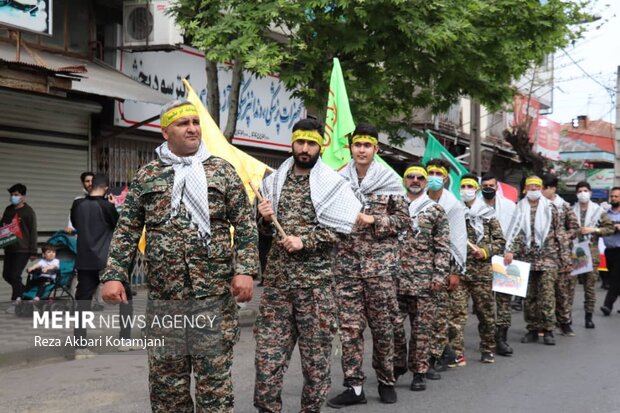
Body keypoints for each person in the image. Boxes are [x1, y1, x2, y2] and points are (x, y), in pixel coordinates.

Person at [101, 100, 258, 413]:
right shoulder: (148, 176)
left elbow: (245, 225)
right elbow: (127, 231)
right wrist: (114, 275)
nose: (192, 129)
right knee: (167, 392)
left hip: (212, 299)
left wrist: (245, 270)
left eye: (195, 122)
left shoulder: (221, 171)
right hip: (165, 302)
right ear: (165, 132)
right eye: (182, 124)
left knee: (214, 391)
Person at [254, 118, 362, 413]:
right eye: (299, 142)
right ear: (292, 143)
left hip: (316, 290)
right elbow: (263, 233)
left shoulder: (334, 185)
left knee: (316, 366)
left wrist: (307, 240)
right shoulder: (273, 182)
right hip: (278, 288)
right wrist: (264, 218)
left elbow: (343, 229)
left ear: (320, 145)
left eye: (311, 143)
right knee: (267, 362)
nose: (304, 149)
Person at [328, 123, 409, 408]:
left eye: (367, 145)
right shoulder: (338, 180)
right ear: (351, 147)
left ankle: (386, 380)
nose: (361, 150)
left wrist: (376, 220)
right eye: (357, 144)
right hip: (346, 266)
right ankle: (354, 387)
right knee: (349, 329)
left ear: (376, 149)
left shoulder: (390, 181)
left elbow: (404, 222)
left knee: (382, 327)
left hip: (380, 268)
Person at [394, 164, 450, 392]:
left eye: (420, 177)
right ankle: (397, 365)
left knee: (421, 331)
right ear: (404, 181)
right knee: (392, 328)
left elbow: (443, 247)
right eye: (411, 177)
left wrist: (439, 275)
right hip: (394, 280)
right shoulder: (393, 207)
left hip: (424, 281)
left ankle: (419, 371)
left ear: (425, 182)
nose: (415, 180)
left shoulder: (435, 210)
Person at [504, 176, 571, 346]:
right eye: (530, 186)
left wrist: (565, 259)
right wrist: (509, 250)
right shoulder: (519, 207)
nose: (533, 189)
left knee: (547, 295)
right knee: (530, 296)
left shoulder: (551, 208)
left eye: (536, 186)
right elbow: (515, 232)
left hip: (549, 258)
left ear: (541, 189)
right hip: (527, 258)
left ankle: (548, 329)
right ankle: (532, 328)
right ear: (525, 188)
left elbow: (560, 234)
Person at [449, 174, 505, 365]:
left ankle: (488, 348)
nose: (466, 189)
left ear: (477, 189)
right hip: (460, 271)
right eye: (463, 186)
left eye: (470, 186)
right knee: (456, 314)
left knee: (486, 313)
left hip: (482, 273)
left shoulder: (488, 214)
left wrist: (485, 251)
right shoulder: (454, 211)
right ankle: (457, 352)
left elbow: (500, 241)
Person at [70, 174, 123, 359]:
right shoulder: (106, 206)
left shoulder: (78, 205)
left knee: (82, 302)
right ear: (107, 188)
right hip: (104, 259)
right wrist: (113, 206)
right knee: (125, 297)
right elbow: (118, 227)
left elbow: (76, 225)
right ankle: (125, 340)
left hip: (84, 259)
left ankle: (79, 347)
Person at [425, 159, 467, 369]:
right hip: (418, 265)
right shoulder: (417, 199)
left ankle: (438, 354)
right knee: (423, 314)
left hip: (443, 266)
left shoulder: (453, 205)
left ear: (445, 177)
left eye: (437, 173)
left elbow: (458, 240)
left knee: (440, 313)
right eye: (429, 172)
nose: (433, 176)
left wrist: (455, 271)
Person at [480, 173, 516, 356]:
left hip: (504, 259)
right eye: (484, 185)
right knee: (485, 303)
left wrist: (511, 250)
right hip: (481, 261)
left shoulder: (509, 207)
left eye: (491, 185)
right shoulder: (472, 207)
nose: (488, 188)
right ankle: (488, 337)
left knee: (503, 301)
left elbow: (518, 230)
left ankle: (501, 338)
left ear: (497, 187)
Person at [571, 181, 614, 328]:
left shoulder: (598, 211)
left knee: (589, 287)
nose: (583, 193)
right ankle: (565, 318)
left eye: (585, 190)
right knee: (569, 287)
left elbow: (610, 229)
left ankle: (588, 317)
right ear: (576, 194)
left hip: (591, 252)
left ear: (590, 192)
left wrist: (594, 230)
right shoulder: (571, 211)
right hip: (575, 252)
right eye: (580, 191)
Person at [541, 174, 579, 336]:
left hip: (562, 255)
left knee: (562, 291)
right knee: (544, 292)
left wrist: (564, 236)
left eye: (544, 188)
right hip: (543, 256)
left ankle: (564, 322)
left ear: (552, 189)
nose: (541, 191)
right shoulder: (537, 206)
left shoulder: (564, 206)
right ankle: (544, 324)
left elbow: (575, 228)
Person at [2, 183, 37, 306]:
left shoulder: (28, 212)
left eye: (16, 195)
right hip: (9, 247)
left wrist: (33, 251)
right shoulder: (8, 209)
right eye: (11, 195)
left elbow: (33, 231)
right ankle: (25, 292)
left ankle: (15, 301)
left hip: (23, 249)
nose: (13, 197)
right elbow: (4, 227)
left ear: (23, 196)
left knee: (15, 275)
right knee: (7, 275)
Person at [601, 187, 620, 316]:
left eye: (616, 196)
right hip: (609, 250)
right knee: (614, 278)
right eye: (612, 196)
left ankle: (608, 305)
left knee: (615, 279)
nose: (613, 198)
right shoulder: (606, 214)